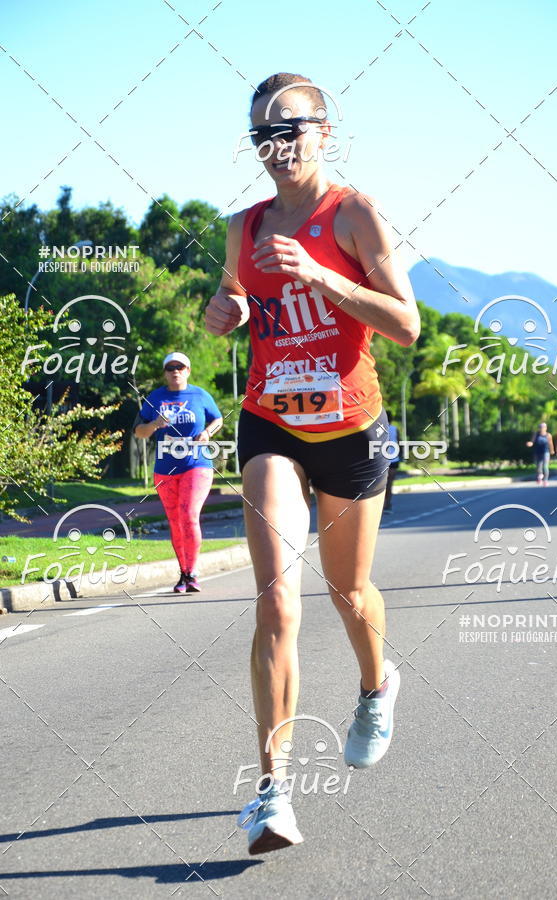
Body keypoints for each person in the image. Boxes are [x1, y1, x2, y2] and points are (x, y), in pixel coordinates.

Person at [205, 72, 420, 855]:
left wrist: (322, 275)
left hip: (352, 429)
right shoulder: (242, 228)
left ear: (324, 132)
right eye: (263, 134)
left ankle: (375, 686)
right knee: (276, 604)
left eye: (290, 129)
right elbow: (234, 299)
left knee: (348, 592)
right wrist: (224, 311)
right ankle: (273, 794)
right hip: (271, 422)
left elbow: (406, 323)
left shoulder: (354, 214)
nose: (278, 145)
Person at [134, 352, 223, 592]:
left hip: (196, 464)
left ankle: (192, 572)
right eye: (170, 368)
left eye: (180, 367)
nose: (175, 371)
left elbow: (218, 419)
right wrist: (154, 424)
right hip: (165, 469)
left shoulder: (200, 395)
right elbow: (138, 432)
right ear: (165, 373)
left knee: (189, 514)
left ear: (188, 371)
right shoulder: (155, 398)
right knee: (175, 521)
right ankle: (183, 573)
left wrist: (207, 433)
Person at [383, 410, 400, 510]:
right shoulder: (395, 429)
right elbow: (400, 443)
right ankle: (388, 504)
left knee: (381, 484)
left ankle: (383, 504)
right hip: (394, 459)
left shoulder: (378, 429)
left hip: (382, 461)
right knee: (389, 484)